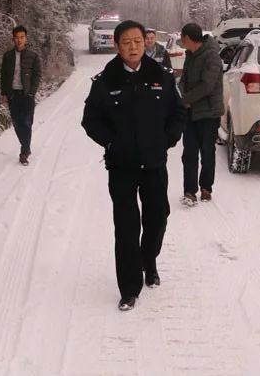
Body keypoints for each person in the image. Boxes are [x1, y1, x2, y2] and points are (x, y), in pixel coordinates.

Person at [81, 20, 186, 311]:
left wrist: (168, 139)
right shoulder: (105, 81)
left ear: (146, 43)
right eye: (126, 42)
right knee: (126, 227)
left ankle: (148, 260)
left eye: (137, 41)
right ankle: (129, 288)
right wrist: (111, 143)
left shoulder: (161, 76)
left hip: (154, 163)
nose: (133, 46)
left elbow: (178, 112)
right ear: (117, 46)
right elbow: (90, 120)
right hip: (121, 167)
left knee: (157, 218)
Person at [178, 22, 224, 207]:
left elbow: (207, 85)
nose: (181, 42)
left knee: (207, 152)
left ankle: (206, 188)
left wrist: (186, 99)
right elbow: (185, 80)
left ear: (188, 38)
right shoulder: (190, 54)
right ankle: (189, 191)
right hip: (191, 112)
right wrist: (181, 93)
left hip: (208, 113)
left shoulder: (212, 56)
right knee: (189, 153)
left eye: (182, 39)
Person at [0, 25, 42, 165]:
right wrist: (4, 93)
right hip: (13, 94)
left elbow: (37, 75)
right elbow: (4, 76)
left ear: (26, 38)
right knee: (17, 123)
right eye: (16, 37)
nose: (19, 40)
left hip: (27, 95)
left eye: (22, 37)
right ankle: (26, 147)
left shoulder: (33, 56)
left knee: (27, 122)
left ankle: (24, 151)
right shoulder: (8, 56)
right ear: (13, 39)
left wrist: (31, 92)